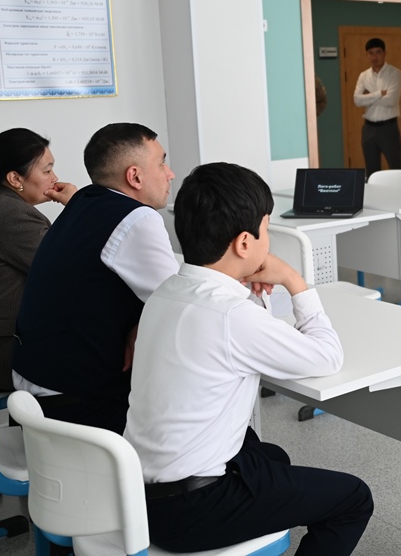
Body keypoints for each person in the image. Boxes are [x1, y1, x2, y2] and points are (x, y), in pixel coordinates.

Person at [124, 162, 373, 555]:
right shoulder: (230, 315)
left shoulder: (168, 290)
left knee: (271, 456)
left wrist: (251, 293)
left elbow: (239, 341)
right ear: (244, 243)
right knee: (354, 498)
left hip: (139, 494)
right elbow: (327, 357)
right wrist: (293, 281)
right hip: (192, 509)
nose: (267, 240)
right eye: (266, 229)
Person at [11, 123, 179, 433]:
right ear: (135, 176)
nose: (170, 174)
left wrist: (143, 320)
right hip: (78, 409)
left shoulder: (84, 201)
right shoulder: (137, 218)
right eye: (162, 163)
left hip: (33, 395)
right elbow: (184, 309)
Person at [0, 129, 76, 391]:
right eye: (47, 170)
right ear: (15, 178)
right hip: (1, 353)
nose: (55, 178)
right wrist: (77, 207)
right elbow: (69, 268)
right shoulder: (11, 215)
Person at [353, 37, 401, 177]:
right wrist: (379, 94)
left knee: (396, 168)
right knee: (372, 172)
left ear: (384, 53)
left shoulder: (395, 74)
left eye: (378, 52)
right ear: (367, 55)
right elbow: (357, 100)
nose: (375, 57)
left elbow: (391, 100)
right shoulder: (363, 76)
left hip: (388, 127)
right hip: (368, 128)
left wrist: (368, 97)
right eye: (371, 53)